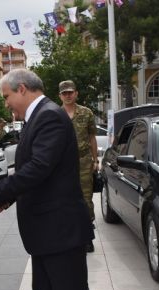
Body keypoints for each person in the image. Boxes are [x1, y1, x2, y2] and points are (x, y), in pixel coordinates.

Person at [0, 69, 95, 290]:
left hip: (60, 235)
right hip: (47, 235)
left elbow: (39, 168)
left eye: (6, 96)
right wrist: (3, 199)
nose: (6, 103)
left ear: (21, 89)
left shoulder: (49, 116)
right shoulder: (39, 117)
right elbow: (33, 171)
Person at [59, 80, 99, 253]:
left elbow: (92, 138)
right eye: (64, 93)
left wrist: (95, 160)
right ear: (59, 95)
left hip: (83, 161)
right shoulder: (54, 113)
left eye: (70, 92)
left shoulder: (86, 113)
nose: (68, 95)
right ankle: (70, 236)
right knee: (65, 200)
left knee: (85, 199)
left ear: (76, 93)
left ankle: (87, 236)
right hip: (62, 164)